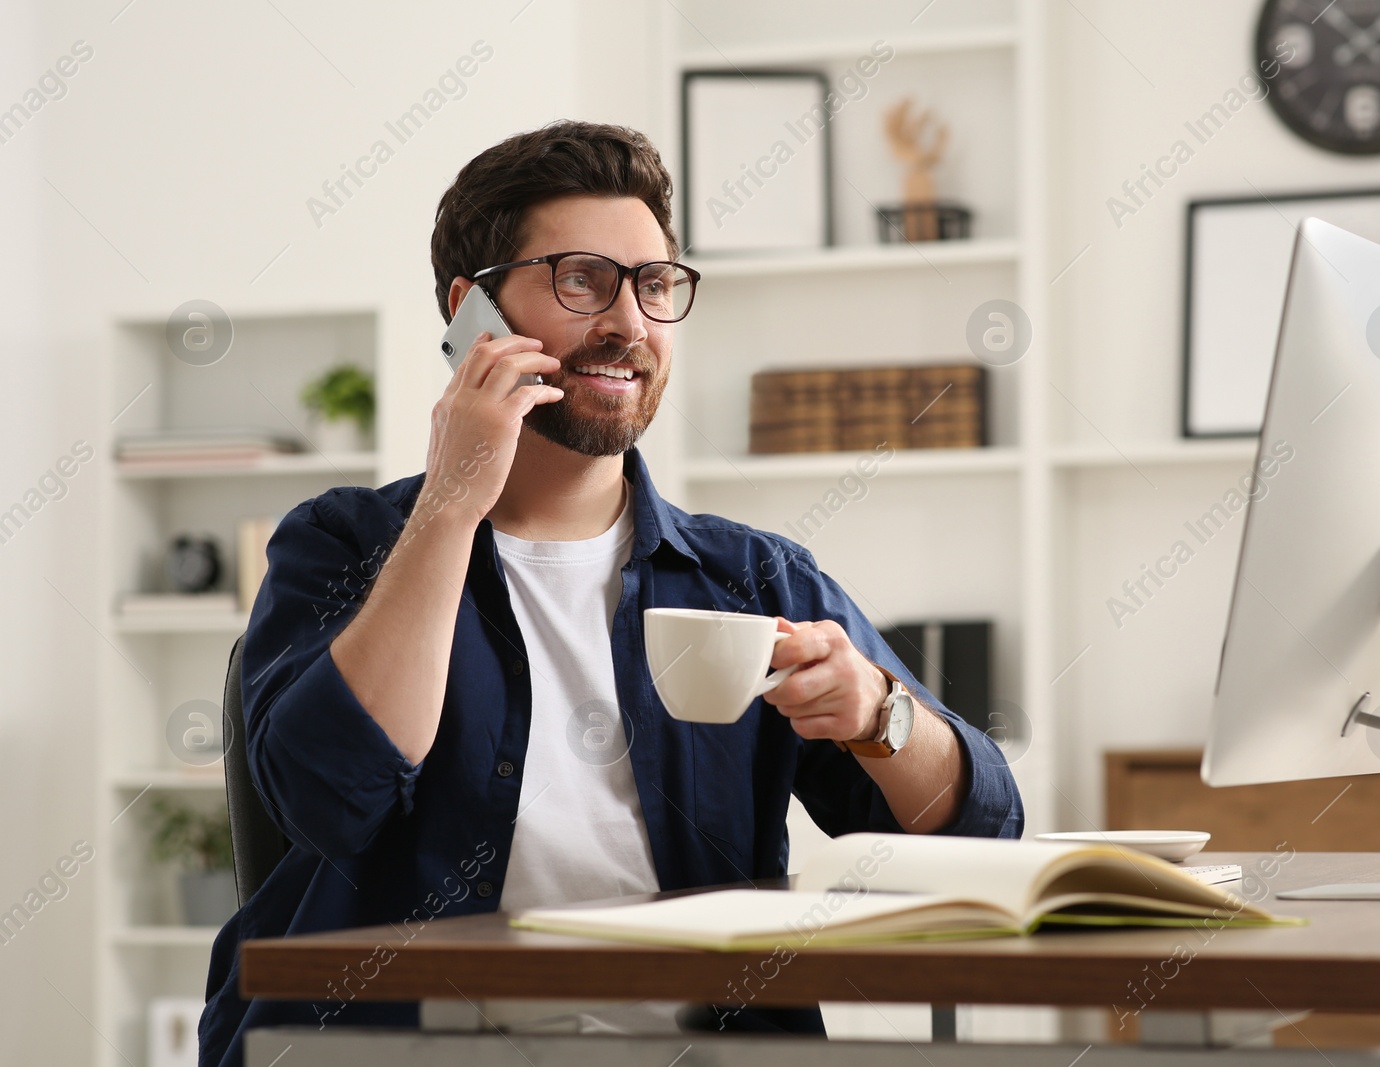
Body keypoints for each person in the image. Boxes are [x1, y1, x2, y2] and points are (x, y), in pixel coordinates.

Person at [199, 120, 1022, 1066]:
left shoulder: (752, 578)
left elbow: (980, 833)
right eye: (583, 278)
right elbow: (325, 799)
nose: (629, 323)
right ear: (475, 313)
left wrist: (877, 712)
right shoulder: (342, 544)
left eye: (656, 284)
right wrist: (452, 502)